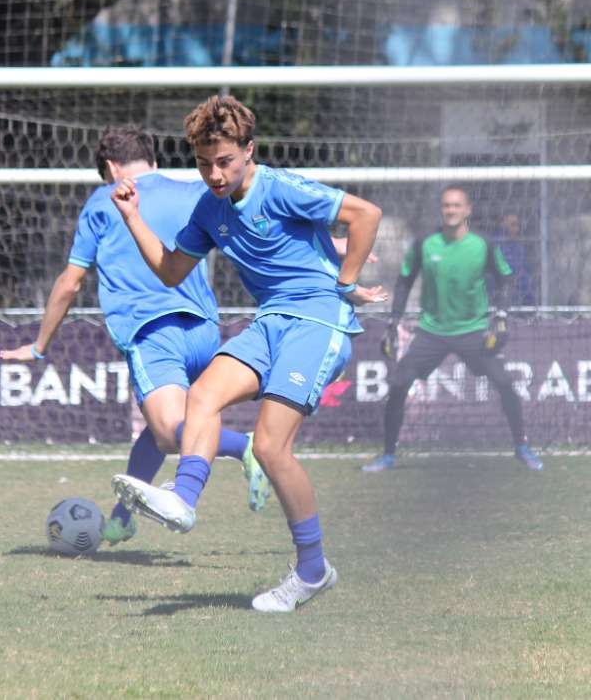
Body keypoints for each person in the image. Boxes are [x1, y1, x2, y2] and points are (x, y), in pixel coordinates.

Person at [107, 95, 387, 613]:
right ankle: (184, 499)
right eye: (203, 164)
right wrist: (131, 216)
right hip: (270, 321)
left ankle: (312, 571)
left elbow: (365, 215)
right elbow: (171, 270)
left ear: (249, 151)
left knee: (273, 449)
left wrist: (346, 283)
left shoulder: (279, 188)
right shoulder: (209, 209)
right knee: (203, 396)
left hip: (317, 320)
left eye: (225, 162)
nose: (214, 174)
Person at [0, 124, 270, 547]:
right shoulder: (192, 191)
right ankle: (123, 517)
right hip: (203, 329)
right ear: (154, 161)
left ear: (110, 168)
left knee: (167, 430)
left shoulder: (103, 201)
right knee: (157, 426)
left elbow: (70, 283)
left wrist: (39, 346)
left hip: (152, 330)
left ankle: (245, 446)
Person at [362, 187, 544, 474]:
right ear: (441, 209)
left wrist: (500, 315)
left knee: (505, 383)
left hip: (473, 331)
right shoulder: (425, 244)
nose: (451, 210)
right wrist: (393, 323)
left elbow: (506, 279)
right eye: (447, 205)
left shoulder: (483, 244)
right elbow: (404, 282)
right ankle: (388, 455)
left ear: (468, 209)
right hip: (431, 331)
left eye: (457, 205)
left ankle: (521, 447)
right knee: (398, 384)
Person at [495, 212, 538, 307]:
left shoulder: (518, 246)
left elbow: (525, 270)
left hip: (521, 294)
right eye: (512, 225)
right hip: (504, 293)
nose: (516, 229)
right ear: (502, 225)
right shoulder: (496, 245)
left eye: (518, 225)